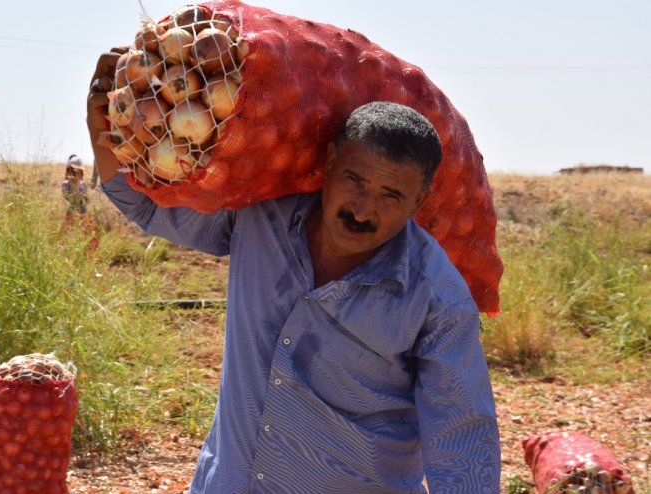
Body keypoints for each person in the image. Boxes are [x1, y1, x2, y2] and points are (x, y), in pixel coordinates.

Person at [87, 50, 501, 493]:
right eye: (354, 181)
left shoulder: (436, 300)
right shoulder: (259, 220)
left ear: (418, 202)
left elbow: (463, 443)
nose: (363, 209)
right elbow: (148, 207)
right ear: (329, 162)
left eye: (390, 195)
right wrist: (103, 124)